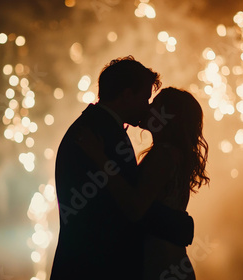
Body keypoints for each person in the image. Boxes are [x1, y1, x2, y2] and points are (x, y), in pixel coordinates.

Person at [51, 56, 194, 280]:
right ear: (127, 95)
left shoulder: (99, 130)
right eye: (146, 99)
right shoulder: (99, 134)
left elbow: (131, 202)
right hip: (95, 267)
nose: (148, 108)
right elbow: (123, 209)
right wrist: (179, 225)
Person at [78, 87, 210, 279]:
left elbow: (135, 207)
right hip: (172, 261)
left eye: (154, 105)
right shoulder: (176, 155)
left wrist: (99, 158)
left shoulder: (163, 155)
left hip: (158, 262)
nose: (147, 108)